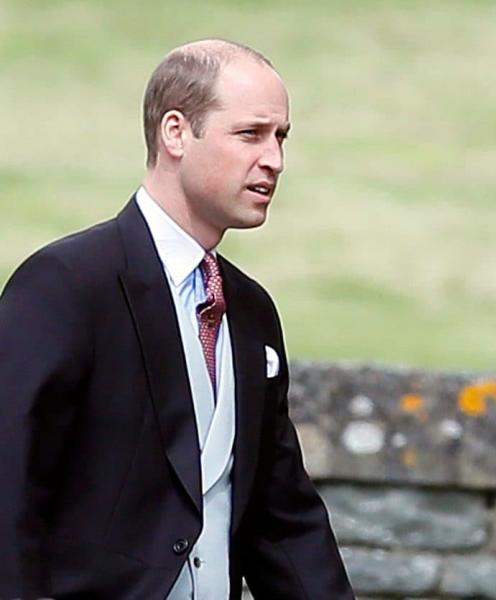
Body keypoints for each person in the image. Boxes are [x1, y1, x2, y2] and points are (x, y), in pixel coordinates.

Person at [0, 39, 354, 599]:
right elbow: (9, 482)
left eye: (281, 137)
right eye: (250, 134)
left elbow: (280, 513)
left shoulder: (252, 311)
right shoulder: (66, 285)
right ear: (175, 133)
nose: (274, 160)